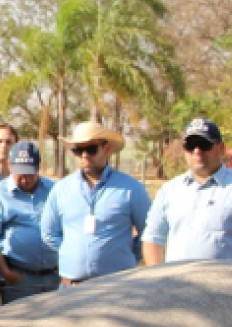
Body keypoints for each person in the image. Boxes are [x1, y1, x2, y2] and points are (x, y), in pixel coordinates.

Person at [145, 118, 232, 266]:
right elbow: (152, 238)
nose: (197, 151)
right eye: (190, 146)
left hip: (228, 286)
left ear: (221, 148)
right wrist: (159, 280)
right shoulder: (169, 191)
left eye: (204, 144)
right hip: (178, 285)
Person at [41, 122, 151, 286]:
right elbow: (49, 233)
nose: (85, 155)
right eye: (78, 150)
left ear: (106, 149)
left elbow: (148, 233)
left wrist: (126, 256)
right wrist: (71, 252)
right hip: (72, 287)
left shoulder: (131, 189)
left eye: (91, 149)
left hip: (117, 286)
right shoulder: (61, 189)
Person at [0, 141, 60, 306]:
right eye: (20, 174)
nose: (25, 179)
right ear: (9, 166)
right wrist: (5, 272)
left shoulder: (55, 190)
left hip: (55, 276)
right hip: (21, 277)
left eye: (30, 173)